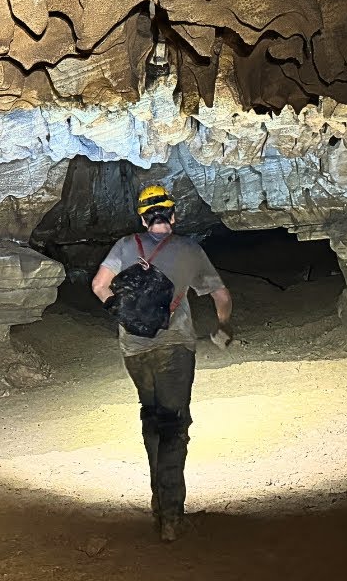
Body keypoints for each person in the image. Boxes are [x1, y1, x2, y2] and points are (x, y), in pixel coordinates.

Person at [91, 184, 232, 541]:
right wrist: (223, 326)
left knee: (151, 415)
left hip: (134, 349)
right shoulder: (189, 249)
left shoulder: (125, 246)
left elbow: (99, 285)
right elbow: (221, 295)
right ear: (173, 215)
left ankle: (159, 500)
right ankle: (171, 515)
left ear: (142, 217)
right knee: (174, 424)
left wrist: (120, 310)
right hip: (174, 346)